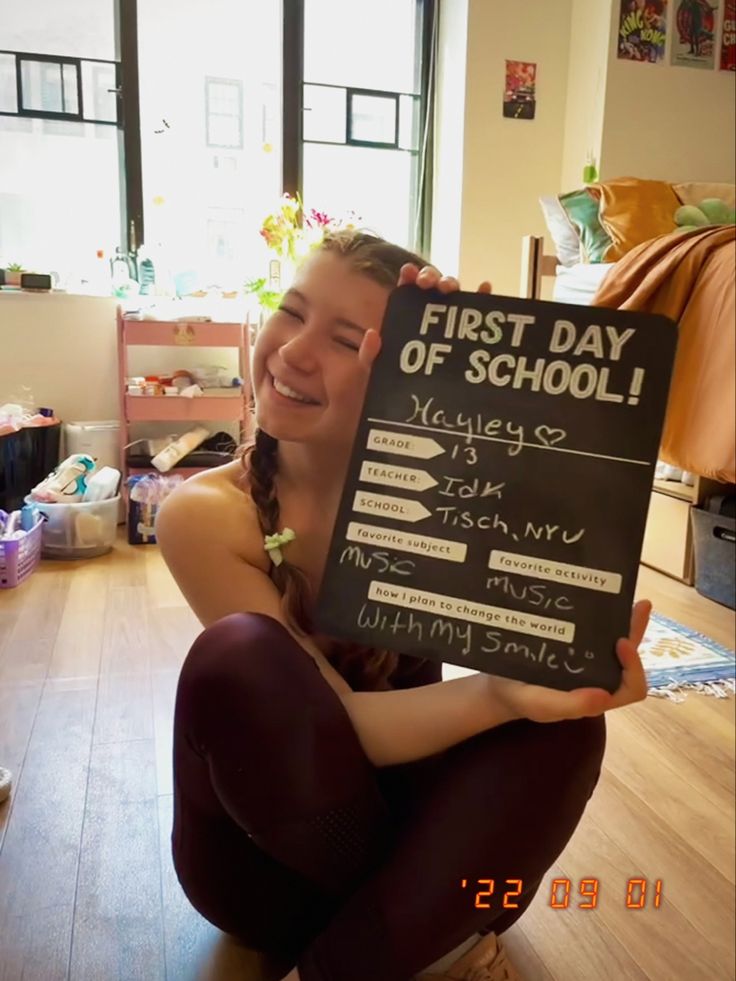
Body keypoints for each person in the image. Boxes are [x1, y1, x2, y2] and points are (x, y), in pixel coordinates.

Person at [156, 229, 652, 981]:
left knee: (568, 724)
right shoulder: (204, 513)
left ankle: (390, 941)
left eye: (348, 340)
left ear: (404, 376)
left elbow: (556, 548)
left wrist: (486, 398)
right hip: (265, 867)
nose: (292, 350)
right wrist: (493, 694)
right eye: (291, 312)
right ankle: (418, 941)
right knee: (239, 658)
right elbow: (348, 730)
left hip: (425, 854)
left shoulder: (445, 487)